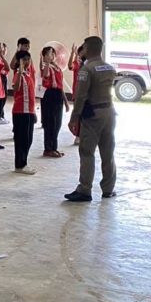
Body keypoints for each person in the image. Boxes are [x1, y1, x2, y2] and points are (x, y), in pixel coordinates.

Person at [64, 36, 117, 203]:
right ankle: (108, 189)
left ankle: (84, 189)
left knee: (87, 152)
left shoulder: (86, 70)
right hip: (109, 112)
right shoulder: (109, 68)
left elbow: (81, 96)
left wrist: (74, 118)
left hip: (93, 114)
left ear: (88, 49)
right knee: (107, 152)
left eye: (84, 47)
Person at [10, 51, 38, 175]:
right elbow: (15, 89)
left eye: (28, 59)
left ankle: (24, 162)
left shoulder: (28, 74)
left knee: (28, 139)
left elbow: (31, 95)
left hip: (29, 111)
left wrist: (34, 112)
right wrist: (20, 73)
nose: (27, 62)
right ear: (19, 61)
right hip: (20, 111)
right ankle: (19, 165)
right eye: (24, 59)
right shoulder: (18, 74)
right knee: (21, 139)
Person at [40, 46, 69, 158]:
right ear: (44, 56)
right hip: (49, 95)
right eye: (48, 54)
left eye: (52, 54)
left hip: (58, 95)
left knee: (57, 123)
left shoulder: (57, 68)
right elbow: (45, 75)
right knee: (50, 123)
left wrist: (66, 101)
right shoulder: (44, 66)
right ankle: (48, 148)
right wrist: (47, 62)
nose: (51, 56)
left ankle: (54, 147)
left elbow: (60, 85)